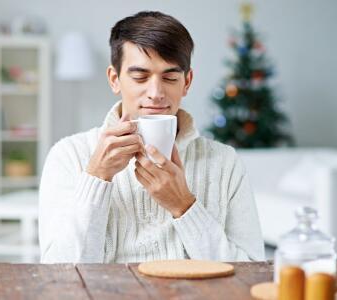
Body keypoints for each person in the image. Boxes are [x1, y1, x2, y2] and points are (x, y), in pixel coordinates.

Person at [39, 11, 265, 263]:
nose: (156, 93)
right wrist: (96, 177)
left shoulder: (225, 162)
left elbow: (251, 272)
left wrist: (184, 206)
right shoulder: (69, 155)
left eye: (169, 77)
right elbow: (59, 276)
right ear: (115, 80)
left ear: (186, 82)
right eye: (140, 77)